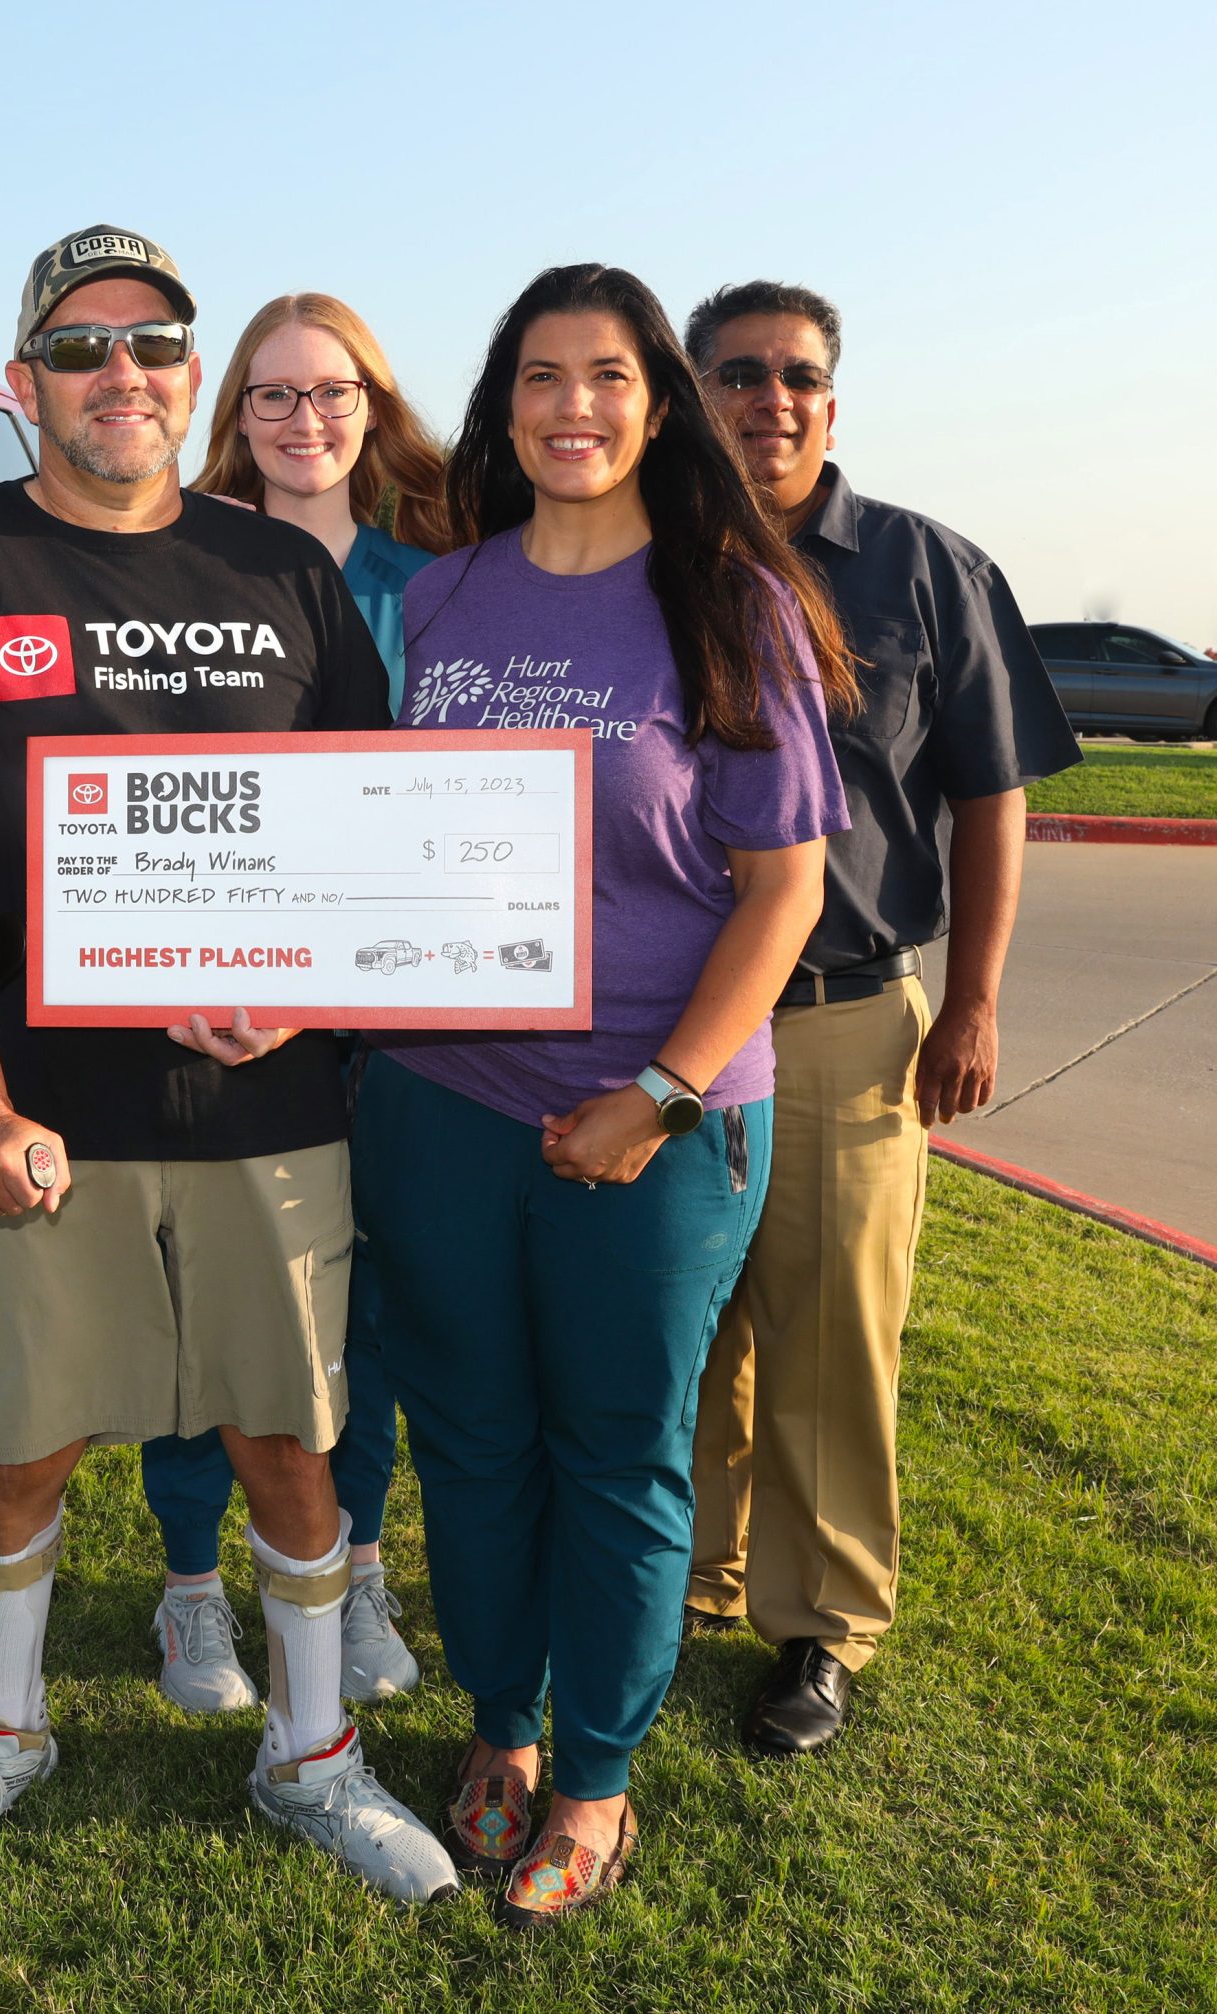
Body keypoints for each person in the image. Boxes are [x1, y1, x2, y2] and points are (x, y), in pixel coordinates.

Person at [0, 226, 456, 1904]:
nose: (120, 372)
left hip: (271, 1112)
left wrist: (306, 992)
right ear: (28, 378)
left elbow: (365, 831)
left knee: (291, 1443)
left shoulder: (284, 574)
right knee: (22, 1449)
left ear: (191, 375)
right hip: (55, 1109)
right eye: (80, 346)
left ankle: (313, 1757)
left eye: (153, 343)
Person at [359, 263, 855, 1927]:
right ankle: (502, 1721)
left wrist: (657, 1092)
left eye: (609, 376)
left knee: (620, 1448)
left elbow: (782, 890)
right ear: (503, 404)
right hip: (440, 1097)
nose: (574, 407)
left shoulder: (733, 603)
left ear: (657, 404)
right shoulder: (442, 598)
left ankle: (594, 1772)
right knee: (470, 1437)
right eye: (541, 376)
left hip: (659, 1115)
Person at [680, 281, 1081, 1755]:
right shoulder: (644, 557)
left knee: (832, 1337)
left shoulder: (924, 568)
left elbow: (991, 794)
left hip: (847, 1020)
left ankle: (822, 1623)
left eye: (796, 376)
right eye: (737, 374)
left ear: (831, 402)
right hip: (667, 1025)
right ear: (693, 397)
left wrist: (970, 998)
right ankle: (694, 1575)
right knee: (682, 1324)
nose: (768, 400)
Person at [134, 293, 458, 1717]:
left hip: (379, 1013)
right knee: (204, 1300)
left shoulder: (436, 583)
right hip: (218, 1003)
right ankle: (190, 1586)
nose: (304, 420)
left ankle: (358, 1564)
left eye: (333, 392)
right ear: (234, 414)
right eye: (272, 394)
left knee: (359, 1305)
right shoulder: (175, 569)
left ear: (373, 407)